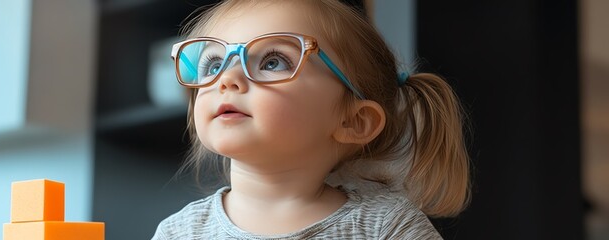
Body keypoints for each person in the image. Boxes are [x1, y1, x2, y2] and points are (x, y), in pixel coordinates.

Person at [153, 0, 470, 239]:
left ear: (353, 121)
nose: (227, 79)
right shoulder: (178, 233)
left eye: (273, 61)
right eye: (213, 64)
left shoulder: (388, 228)